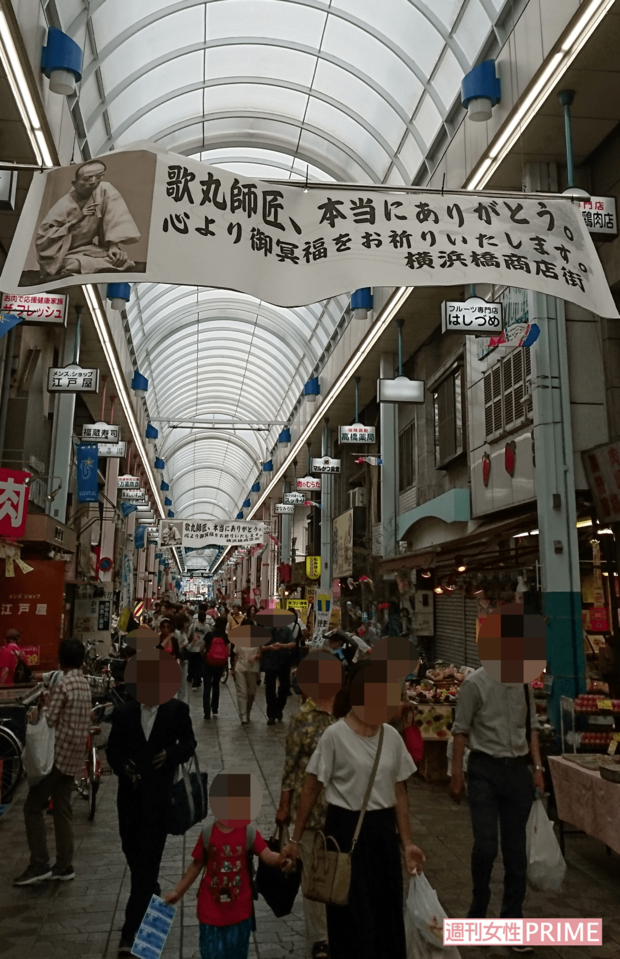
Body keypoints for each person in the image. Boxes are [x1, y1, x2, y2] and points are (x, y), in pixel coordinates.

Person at [281, 661, 426, 959]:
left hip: (384, 833)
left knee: (386, 913)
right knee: (352, 917)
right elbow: (311, 787)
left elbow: (400, 791)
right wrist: (295, 841)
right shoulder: (335, 736)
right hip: (344, 833)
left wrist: (408, 842)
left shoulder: (391, 737)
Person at [449, 667, 545, 953]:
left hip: (517, 773)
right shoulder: (474, 684)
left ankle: (512, 924)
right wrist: (456, 775)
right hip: (484, 771)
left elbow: (532, 729)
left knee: (516, 855)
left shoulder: (524, 683)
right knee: (486, 847)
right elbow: (460, 731)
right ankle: (477, 914)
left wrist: (537, 768)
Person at [106, 679, 196, 955]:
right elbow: (113, 752)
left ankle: (130, 932)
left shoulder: (176, 710)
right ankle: (150, 890)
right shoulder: (124, 713)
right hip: (129, 801)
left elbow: (189, 744)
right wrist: (124, 769)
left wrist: (170, 754)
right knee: (136, 859)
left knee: (147, 864)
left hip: (159, 801)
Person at [165, 771, 282, 959]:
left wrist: (280, 859)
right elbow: (196, 866)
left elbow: (266, 854)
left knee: (236, 954)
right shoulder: (208, 833)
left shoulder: (249, 833)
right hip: (210, 910)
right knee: (211, 953)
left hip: (239, 911)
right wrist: (177, 892)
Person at [275, 651, 342, 959]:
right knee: (313, 877)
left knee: (341, 871)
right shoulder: (303, 718)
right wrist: (284, 806)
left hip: (343, 807)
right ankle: (321, 938)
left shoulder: (348, 712)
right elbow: (291, 767)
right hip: (311, 809)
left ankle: (342, 927)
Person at [13, 639, 91, 886]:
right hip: (75, 754)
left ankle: (39, 864)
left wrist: (45, 703)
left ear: (61, 659)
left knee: (32, 807)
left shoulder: (65, 684)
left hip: (57, 756)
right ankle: (64, 864)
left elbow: (51, 718)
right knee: (63, 808)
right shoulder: (83, 683)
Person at [35, 159, 141, 278]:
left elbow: (114, 215)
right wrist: (77, 220)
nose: (93, 182)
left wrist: (113, 246)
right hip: (62, 254)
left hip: (88, 249)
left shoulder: (103, 189)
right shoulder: (64, 205)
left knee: (122, 262)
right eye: (87, 179)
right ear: (74, 184)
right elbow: (42, 238)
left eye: (99, 177)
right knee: (74, 265)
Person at [259, 623, 295, 725]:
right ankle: (271, 714)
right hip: (270, 662)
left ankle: (278, 708)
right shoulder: (267, 630)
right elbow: (261, 647)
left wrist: (283, 646)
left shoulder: (286, 630)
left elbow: (293, 643)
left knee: (284, 688)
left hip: (283, 662)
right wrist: (269, 647)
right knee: (270, 689)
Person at [201, 616, 230, 720]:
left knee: (207, 687)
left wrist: (204, 655)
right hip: (219, 664)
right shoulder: (225, 636)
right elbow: (228, 651)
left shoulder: (209, 635)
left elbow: (202, 647)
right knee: (216, 685)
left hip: (208, 663)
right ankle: (215, 708)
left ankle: (207, 711)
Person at [230, 633, 260, 725]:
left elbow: (261, 653)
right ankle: (243, 715)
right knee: (242, 692)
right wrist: (233, 668)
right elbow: (236, 655)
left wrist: (255, 657)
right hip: (240, 667)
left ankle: (247, 711)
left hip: (253, 668)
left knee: (251, 693)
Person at [188, 608, 209, 690]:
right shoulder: (207, 627)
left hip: (192, 647)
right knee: (199, 666)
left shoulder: (193, 625)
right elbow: (208, 637)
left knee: (192, 665)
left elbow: (188, 635)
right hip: (201, 649)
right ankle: (196, 681)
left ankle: (192, 678)